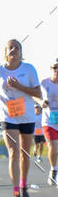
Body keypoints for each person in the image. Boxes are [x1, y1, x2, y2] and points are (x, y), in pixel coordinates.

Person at [0, 38, 41, 197]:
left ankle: (23, 185)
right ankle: (15, 193)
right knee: (13, 152)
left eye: (16, 48)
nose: (13, 50)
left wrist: (19, 87)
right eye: (10, 47)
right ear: (6, 52)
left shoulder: (29, 69)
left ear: (21, 52)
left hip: (26, 116)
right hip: (8, 116)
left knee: (24, 154)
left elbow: (38, 94)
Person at [40, 57, 58, 186]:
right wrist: (42, 102)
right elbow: (37, 97)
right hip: (48, 120)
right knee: (52, 145)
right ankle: (53, 170)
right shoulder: (44, 83)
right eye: (55, 67)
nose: (57, 70)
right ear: (51, 69)